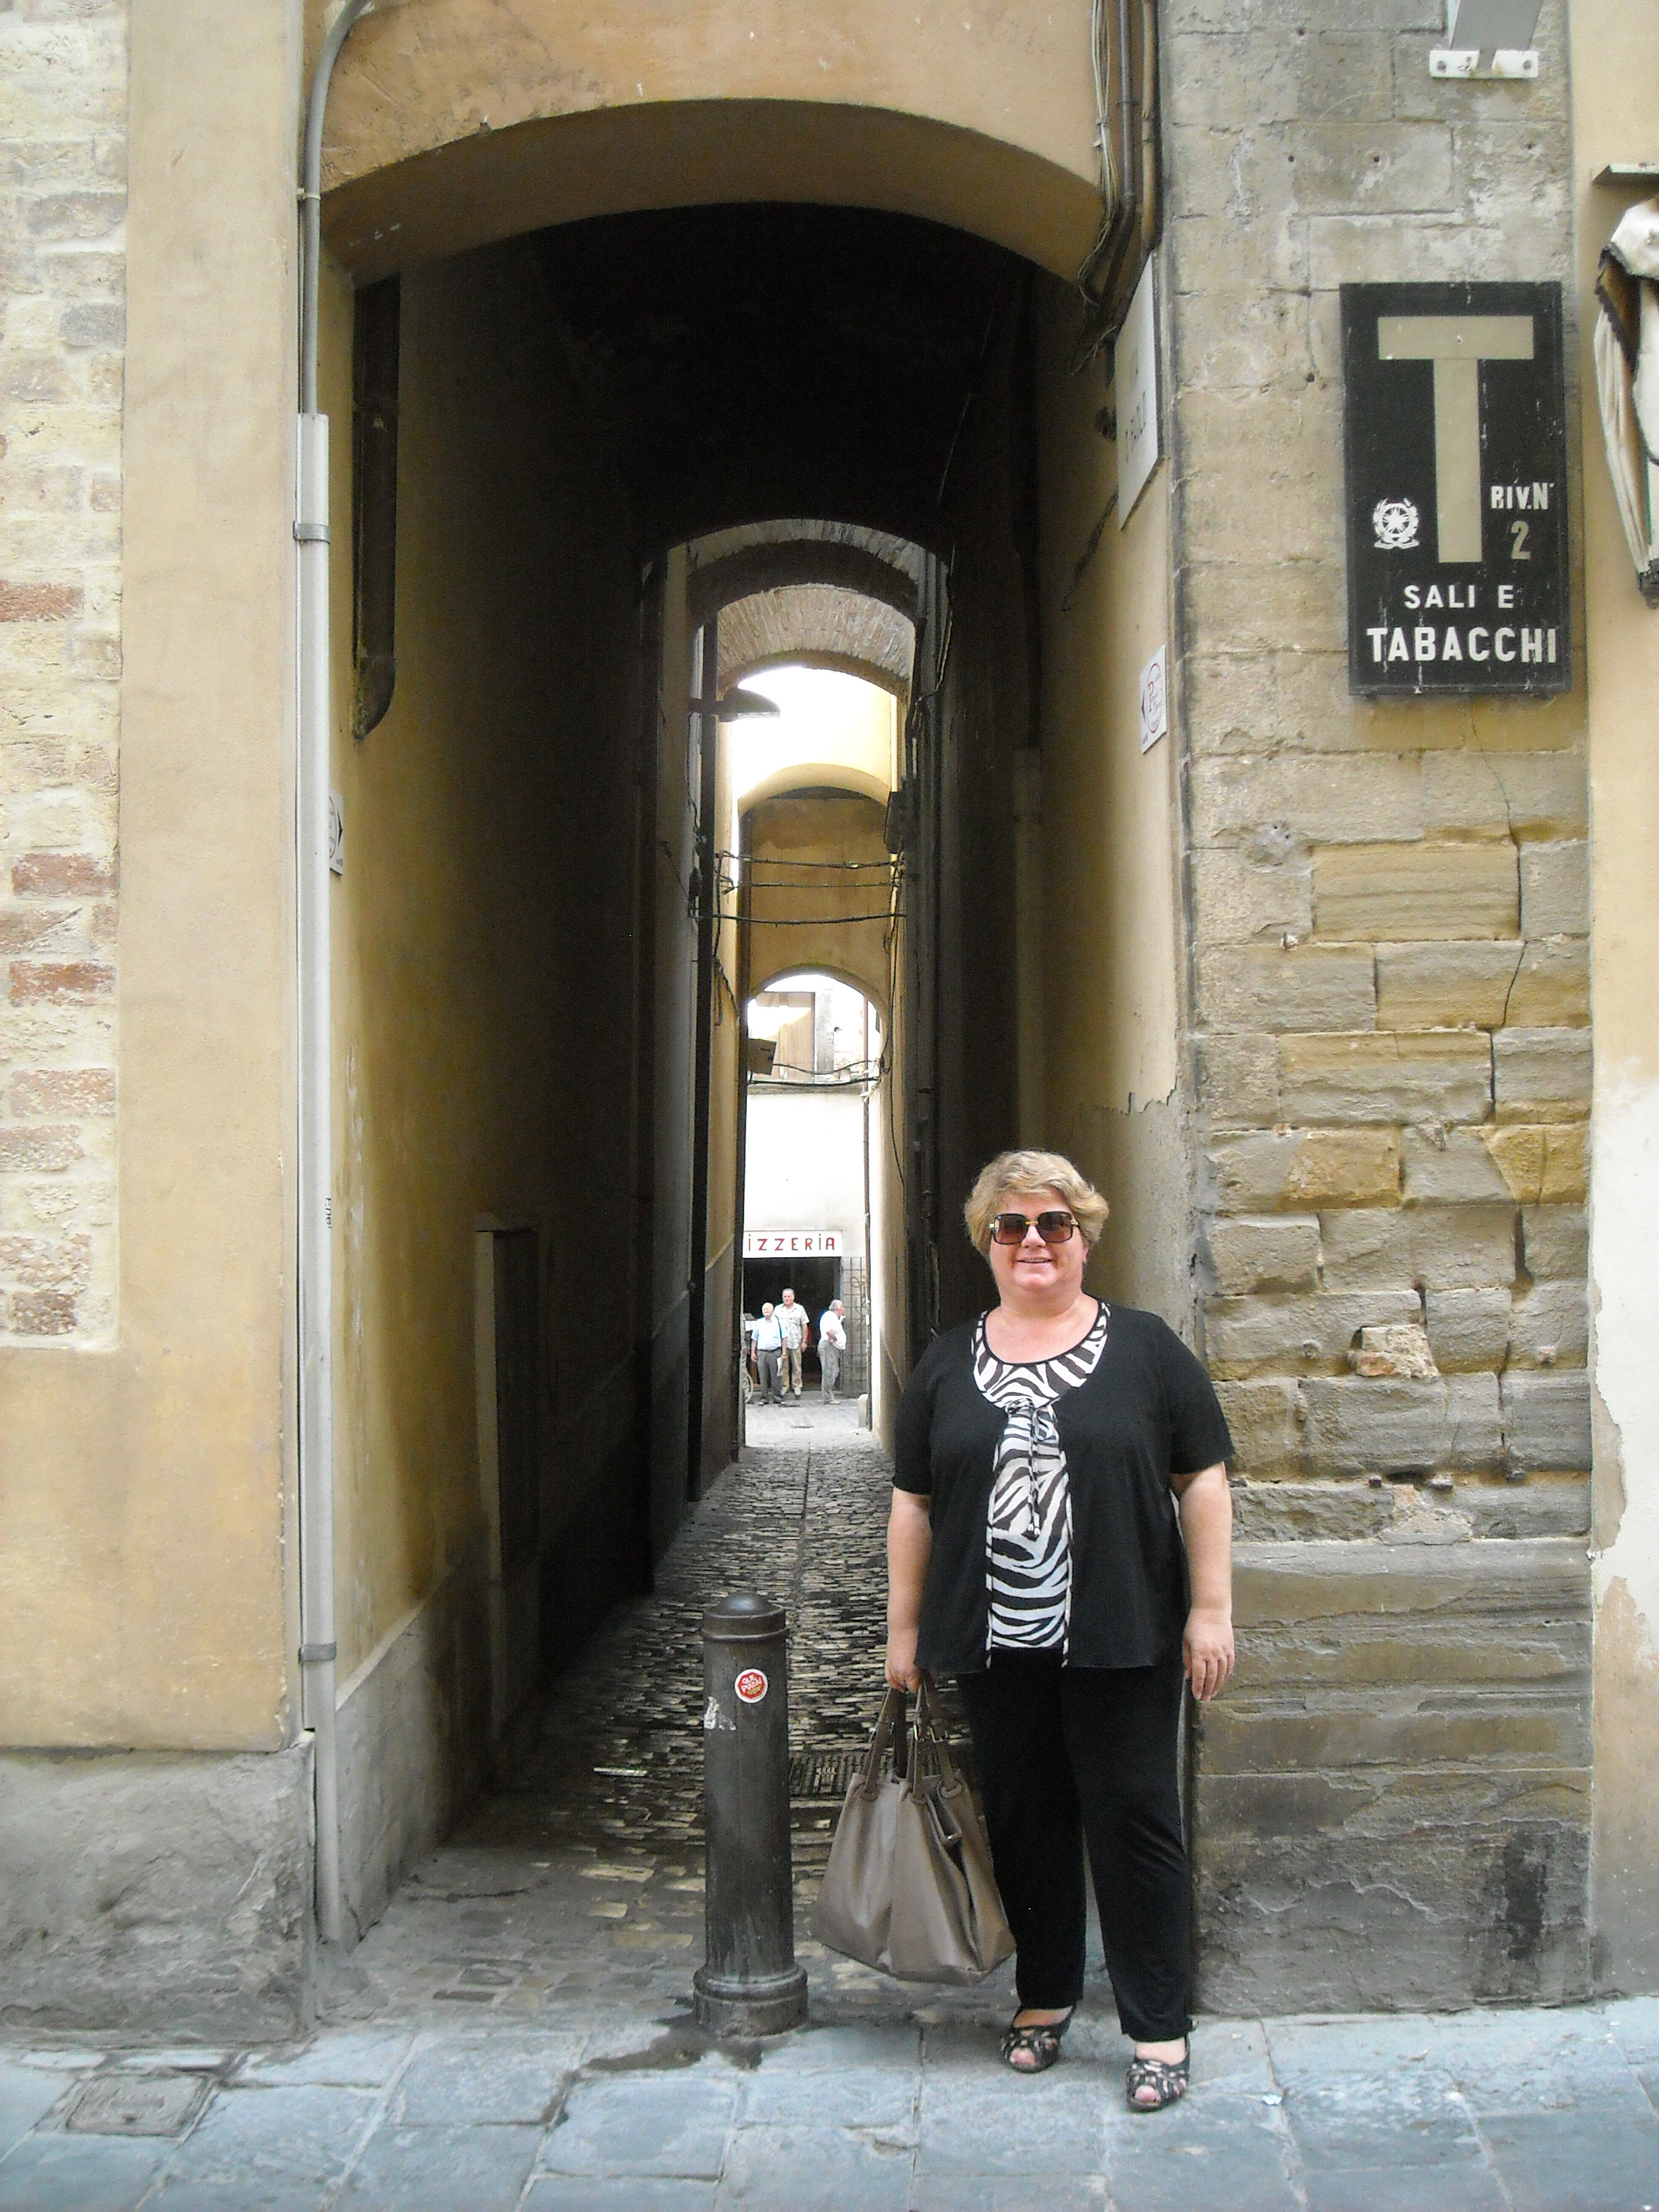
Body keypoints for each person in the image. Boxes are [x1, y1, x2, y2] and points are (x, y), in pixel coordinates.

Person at [886, 1150, 1234, 2114]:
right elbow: (914, 1502)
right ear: (987, 1243)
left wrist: (1211, 1610)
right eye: (1012, 1226)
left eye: (1053, 1224)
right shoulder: (947, 1363)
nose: (1032, 1241)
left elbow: (1203, 1476)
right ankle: (1044, 1996)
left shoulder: (1146, 1350)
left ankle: (1157, 2024)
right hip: (995, 1641)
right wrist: (904, 1628)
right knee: (1025, 1820)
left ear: (1083, 1238)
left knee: (1135, 1821)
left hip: (1125, 1635)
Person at [750, 1301, 784, 1405]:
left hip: (775, 1352)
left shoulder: (779, 1322)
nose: (766, 1311)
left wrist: (784, 1353)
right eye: (764, 1309)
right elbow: (754, 1339)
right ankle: (764, 1398)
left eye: (768, 1309)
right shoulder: (758, 1323)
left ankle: (777, 1397)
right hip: (762, 1353)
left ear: (772, 1311)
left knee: (776, 1376)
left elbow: (784, 1338)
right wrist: (753, 1352)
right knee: (762, 1376)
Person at [777, 1288, 807, 1399]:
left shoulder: (800, 1309)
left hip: (796, 1342)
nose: (787, 1299)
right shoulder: (778, 1310)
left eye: (789, 1296)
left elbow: (804, 1325)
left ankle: (797, 1386)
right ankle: (785, 1386)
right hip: (782, 1344)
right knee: (783, 1366)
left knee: (797, 1366)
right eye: (785, 1297)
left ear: (793, 1297)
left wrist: (804, 1341)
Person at [818, 1298, 847, 1402]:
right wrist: (834, 1339)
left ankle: (829, 1396)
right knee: (829, 1371)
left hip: (832, 1347)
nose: (843, 1309)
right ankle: (828, 1397)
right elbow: (828, 1330)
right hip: (829, 1346)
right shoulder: (830, 1316)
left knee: (834, 1370)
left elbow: (833, 1327)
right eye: (842, 1307)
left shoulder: (832, 1317)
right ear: (837, 1309)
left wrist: (840, 1321)